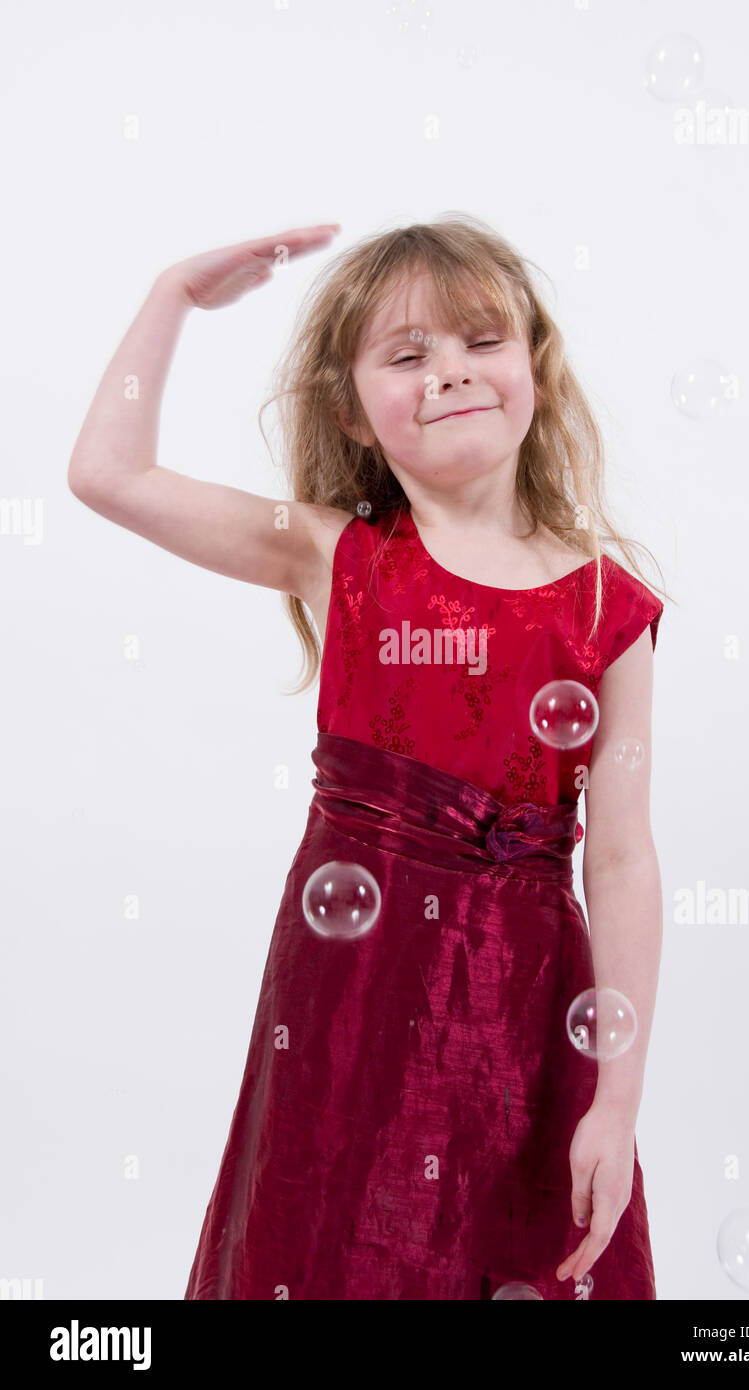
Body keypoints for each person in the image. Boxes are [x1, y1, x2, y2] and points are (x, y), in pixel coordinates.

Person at [67, 215, 670, 1300]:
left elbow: (619, 859)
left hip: (522, 1016)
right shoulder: (334, 555)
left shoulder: (604, 610)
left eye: (480, 340)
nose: (448, 372)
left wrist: (613, 1103)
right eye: (405, 355)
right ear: (353, 411)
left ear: (533, 360)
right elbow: (108, 474)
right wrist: (171, 295)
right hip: (347, 1009)